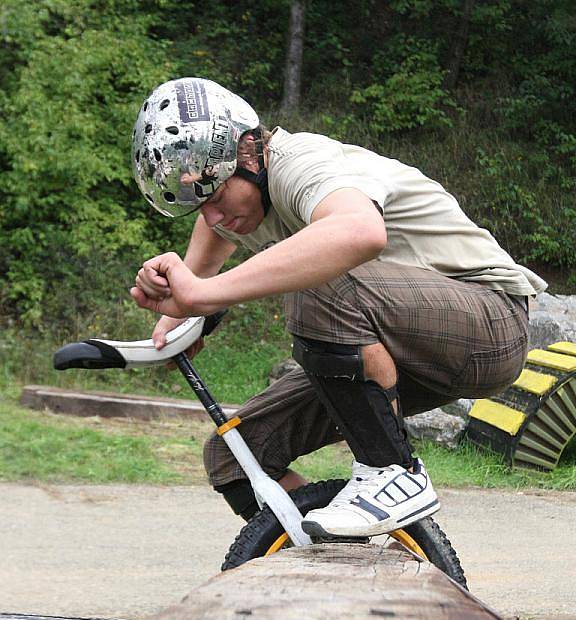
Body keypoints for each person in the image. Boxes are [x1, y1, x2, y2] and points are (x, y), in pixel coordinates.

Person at [130, 77, 546, 540]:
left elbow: (359, 233)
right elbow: (203, 263)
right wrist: (180, 316)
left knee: (325, 281)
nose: (212, 217)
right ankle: (332, 563)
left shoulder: (301, 164)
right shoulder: (239, 201)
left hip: (490, 323)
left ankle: (392, 469)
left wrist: (206, 296)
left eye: (216, 198)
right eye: (197, 206)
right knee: (238, 456)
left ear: (248, 152)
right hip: (405, 347)